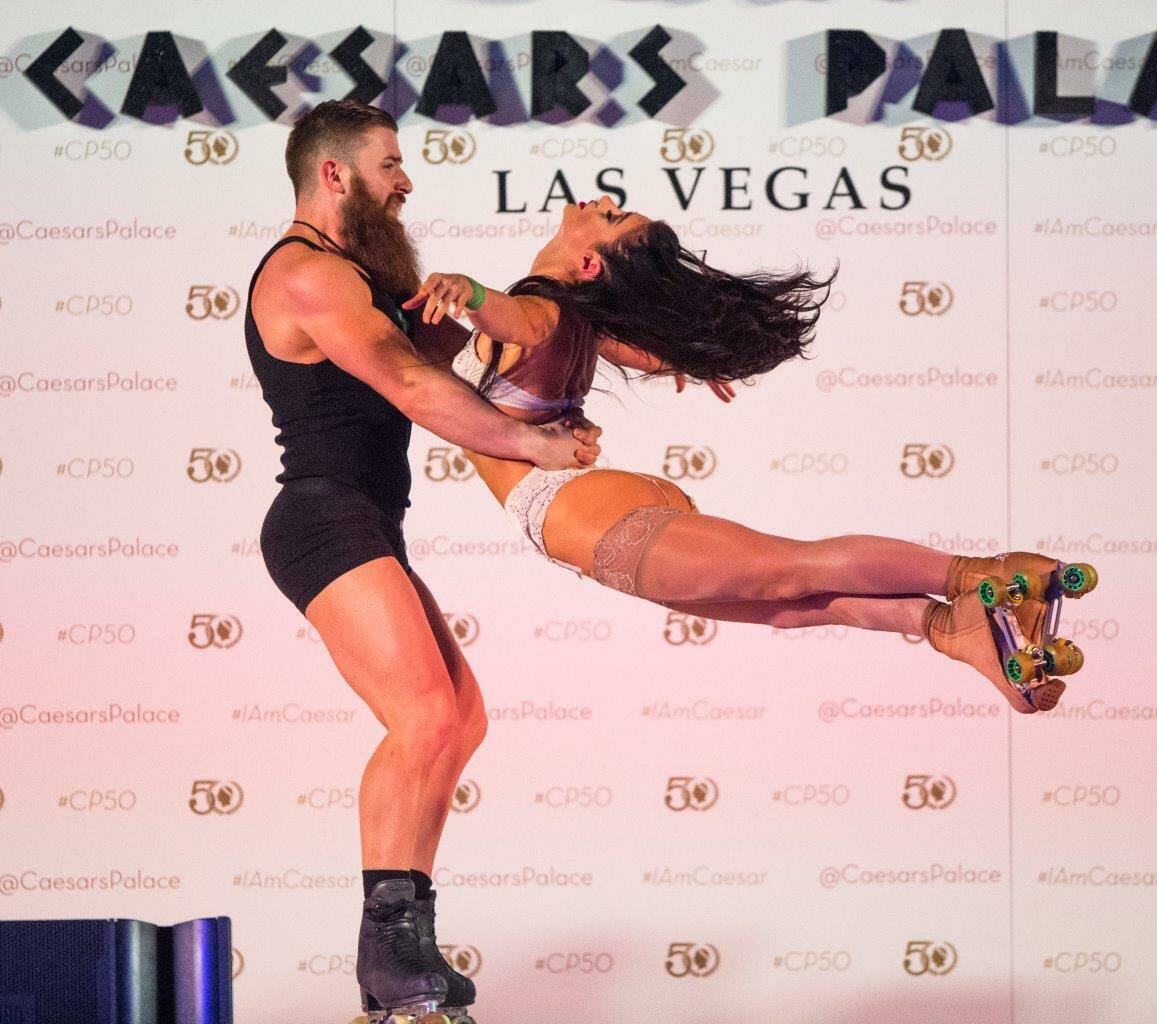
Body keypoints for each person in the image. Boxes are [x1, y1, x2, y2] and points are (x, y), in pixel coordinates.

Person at [402, 195, 1098, 719]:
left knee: (791, 572)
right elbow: (616, 344)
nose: (600, 203)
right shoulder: (580, 313)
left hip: (577, 513)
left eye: (610, 217)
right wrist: (681, 356)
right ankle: (955, 626)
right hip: (602, 504)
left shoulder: (539, 307)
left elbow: (515, 320)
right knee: (790, 606)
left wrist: (467, 293)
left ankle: (989, 574)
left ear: (587, 263)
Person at [245, 100, 601, 1024]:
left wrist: (512, 293)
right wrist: (532, 449)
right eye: (391, 164)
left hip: (363, 516)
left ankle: (395, 955)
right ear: (334, 173)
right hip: (321, 518)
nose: (405, 183)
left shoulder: (351, 277)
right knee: (424, 714)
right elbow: (405, 383)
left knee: (460, 719)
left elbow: (416, 354)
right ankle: (390, 949)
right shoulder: (305, 274)